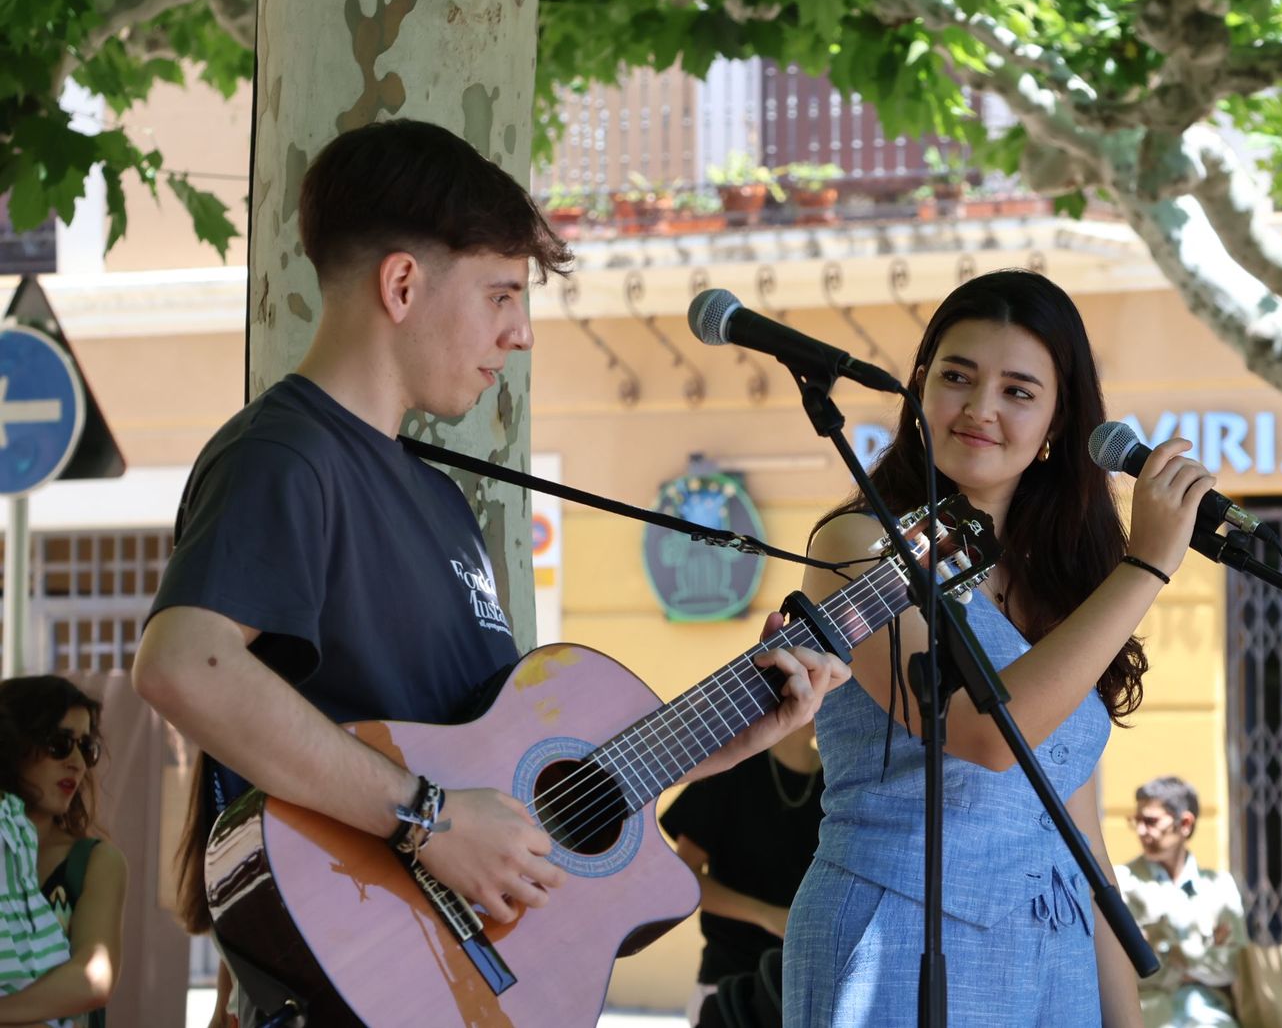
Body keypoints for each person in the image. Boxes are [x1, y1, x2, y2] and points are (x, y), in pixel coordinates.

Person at [129, 118, 849, 1022]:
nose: (521, 334)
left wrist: (720, 737)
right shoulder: (287, 455)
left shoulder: (438, 501)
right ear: (402, 284)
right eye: (503, 293)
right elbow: (182, 663)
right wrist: (427, 818)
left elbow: (499, 783)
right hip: (359, 967)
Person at [783, 268, 1218, 1028]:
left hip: (1055, 954)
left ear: (1057, 419)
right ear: (918, 388)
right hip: (898, 935)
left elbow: (1084, 842)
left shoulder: (1070, 585)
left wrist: (1127, 1019)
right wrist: (1146, 566)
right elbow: (981, 732)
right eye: (957, 377)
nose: (981, 409)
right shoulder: (857, 544)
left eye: (1018, 390)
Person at [661, 721, 824, 1026]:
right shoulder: (734, 765)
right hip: (730, 987)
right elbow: (680, 879)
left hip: (808, 989)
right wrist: (766, 915)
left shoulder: (839, 784)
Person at [0, 675, 127, 1028]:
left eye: (86, 748)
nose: (77, 763)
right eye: (59, 744)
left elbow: (93, 980)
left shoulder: (95, 861)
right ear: (13, 745)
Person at [1115, 776, 1247, 1028]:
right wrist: (1203, 956)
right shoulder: (1121, 883)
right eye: (1137, 821)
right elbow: (1120, 973)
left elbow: (1233, 966)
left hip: (1211, 1018)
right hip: (1148, 1019)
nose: (1141, 830)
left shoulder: (1219, 886)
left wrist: (1166, 952)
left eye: (1151, 821)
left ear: (1184, 823)